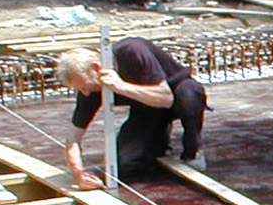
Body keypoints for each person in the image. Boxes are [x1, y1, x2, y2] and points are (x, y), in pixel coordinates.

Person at [55, 37, 208, 189]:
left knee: (188, 97)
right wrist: (78, 174)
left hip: (175, 92)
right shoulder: (89, 89)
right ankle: (159, 143)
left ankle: (192, 151)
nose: (86, 93)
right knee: (123, 165)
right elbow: (73, 138)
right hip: (146, 107)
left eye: (86, 86)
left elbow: (166, 98)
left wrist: (120, 86)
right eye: (80, 89)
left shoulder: (133, 51)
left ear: (96, 68)